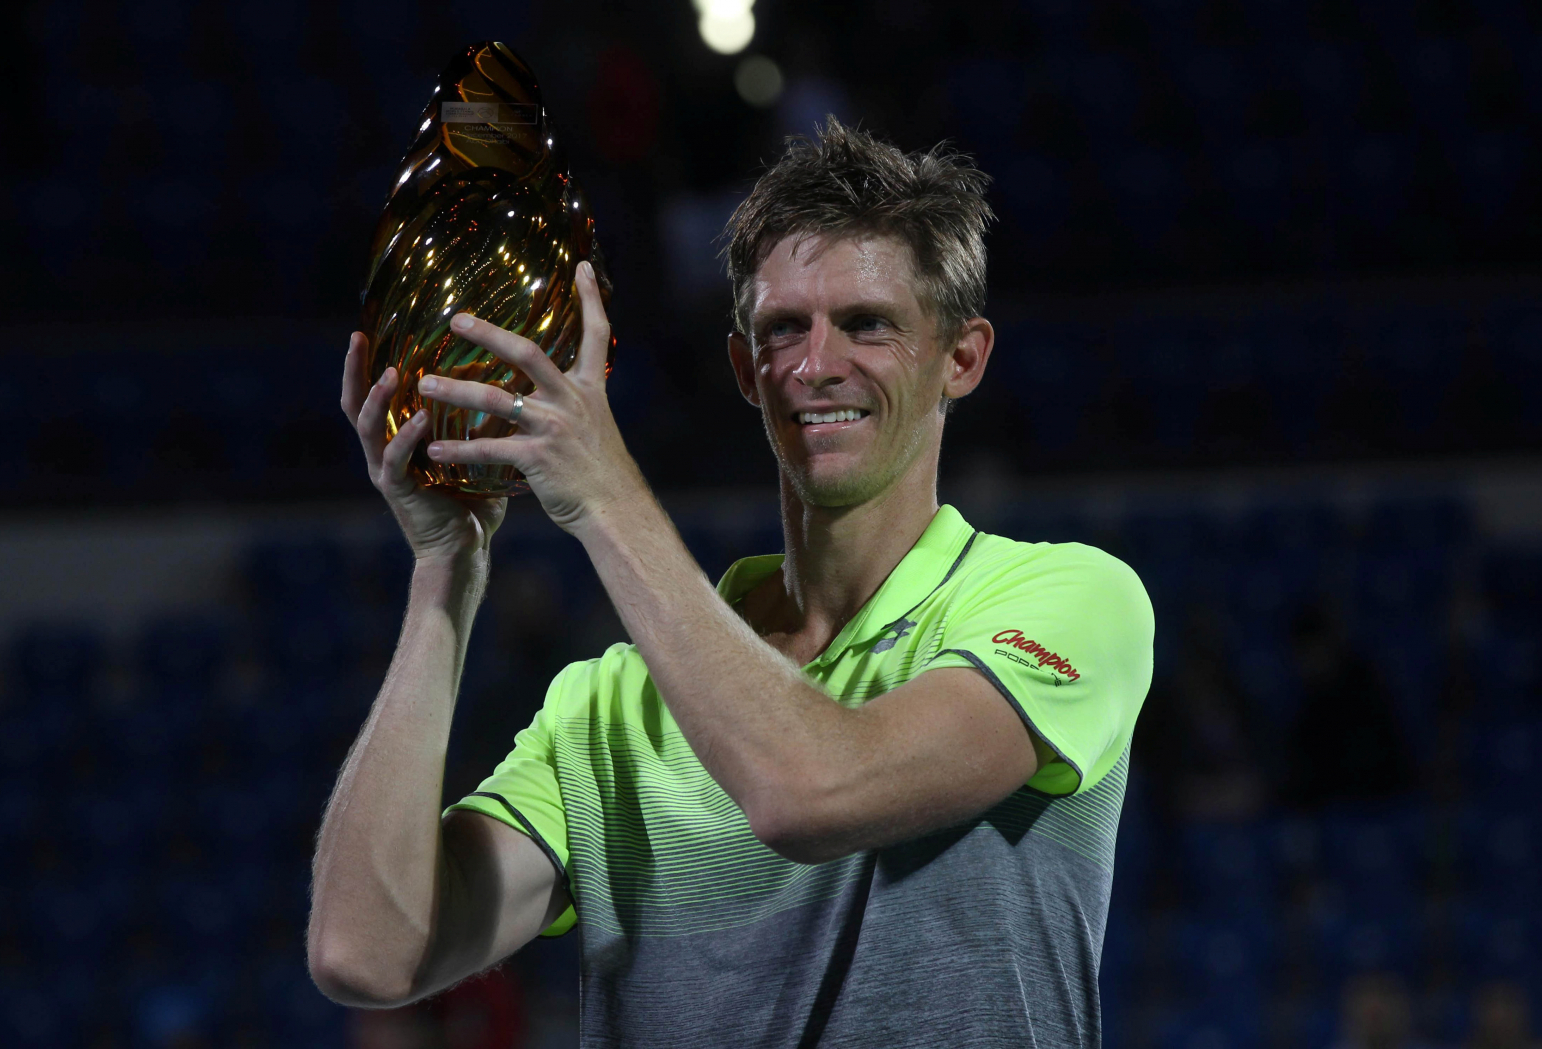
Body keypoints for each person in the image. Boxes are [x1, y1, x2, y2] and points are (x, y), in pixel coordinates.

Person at [307, 116, 1154, 1048]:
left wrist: (601, 490)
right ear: (746, 370)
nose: (816, 365)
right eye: (783, 330)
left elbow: (810, 793)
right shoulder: (610, 705)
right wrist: (446, 573)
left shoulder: (1070, 600)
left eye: (867, 324)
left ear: (962, 356)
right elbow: (365, 951)